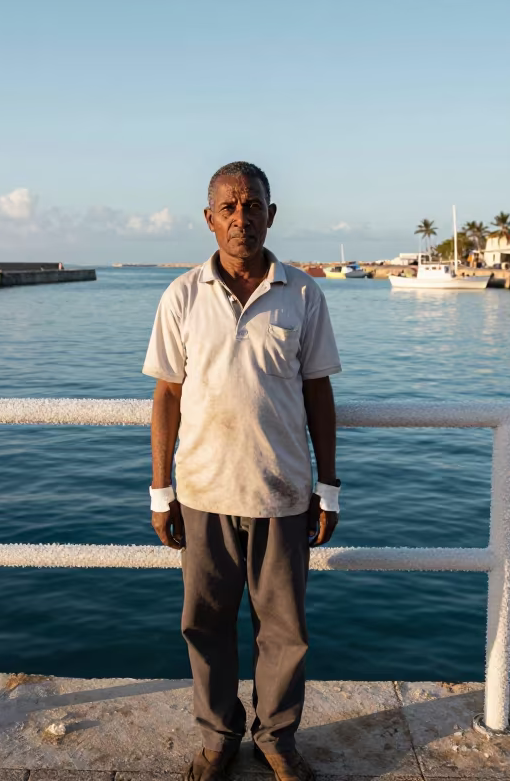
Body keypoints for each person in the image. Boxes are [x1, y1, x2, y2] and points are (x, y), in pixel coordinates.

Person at [143, 161, 341, 781]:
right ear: (208, 220)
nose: (240, 218)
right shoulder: (182, 294)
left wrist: (327, 489)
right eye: (227, 208)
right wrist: (160, 491)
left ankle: (278, 739)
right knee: (205, 625)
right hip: (202, 493)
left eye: (251, 205)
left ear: (271, 214)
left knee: (283, 631)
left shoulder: (304, 293)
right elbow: (167, 396)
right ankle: (218, 735)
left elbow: (318, 395)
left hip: (282, 493)